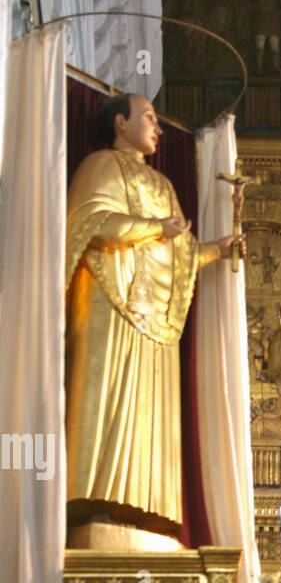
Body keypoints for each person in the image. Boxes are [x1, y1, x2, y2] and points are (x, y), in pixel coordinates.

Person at [65, 95, 244, 544]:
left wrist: (216, 251)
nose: (157, 128)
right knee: (108, 402)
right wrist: (153, 229)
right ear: (120, 122)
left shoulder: (163, 185)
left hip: (156, 319)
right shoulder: (100, 165)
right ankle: (93, 501)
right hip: (109, 302)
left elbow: (177, 256)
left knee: (151, 415)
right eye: (148, 117)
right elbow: (90, 226)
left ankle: (143, 511)